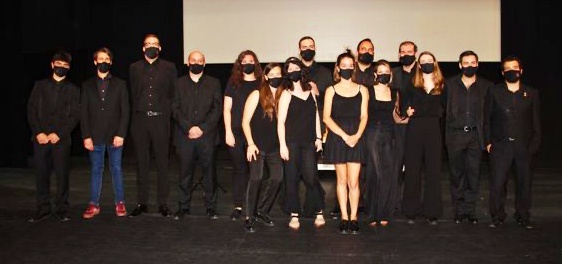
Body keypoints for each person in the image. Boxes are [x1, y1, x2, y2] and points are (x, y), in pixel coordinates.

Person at [484, 56, 541, 229]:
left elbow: (536, 122)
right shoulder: (494, 91)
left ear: (521, 71)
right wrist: (488, 142)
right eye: (507, 68)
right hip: (500, 146)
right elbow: (487, 119)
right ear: (502, 73)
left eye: (514, 67)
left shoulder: (531, 93)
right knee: (498, 183)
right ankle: (497, 216)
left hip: (523, 146)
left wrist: (534, 144)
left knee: (524, 182)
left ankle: (523, 215)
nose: (511, 71)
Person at [27, 50, 80, 222]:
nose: (61, 67)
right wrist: (39, 132)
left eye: (65, 66)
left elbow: (75, 116)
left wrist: (59, 134)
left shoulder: (73, 89)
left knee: (62, 175)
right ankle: (42, 208)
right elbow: (31, 111)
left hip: (61, 140)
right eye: (59, 64)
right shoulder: (40, 85)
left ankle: (63, 209)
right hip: (41, 138)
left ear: (69, 68)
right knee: (41, 174)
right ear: (52, 65)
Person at [128, 33, 178, 217]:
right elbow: (133, 93)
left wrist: (167, 114)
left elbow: (173, 94)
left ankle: (162, 203)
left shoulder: (169, 67)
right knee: (141, 162)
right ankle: (142, 202)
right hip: (140, 120)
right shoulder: (134, 68)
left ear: (160, 48)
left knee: (162, 162)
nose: (152, 46)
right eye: (148, 44)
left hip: (160, 120)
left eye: (155, 44)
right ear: (143, 48)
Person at [171, 50, 222, 220]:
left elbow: (217, 109)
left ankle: (211, 207)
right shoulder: (178, 83)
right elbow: (175, 108)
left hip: (207, 136)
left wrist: (202, 128)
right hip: (184, 137)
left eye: (200, 61)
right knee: (185, 174)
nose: (196, 63)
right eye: (193, 60)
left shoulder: (214, 83)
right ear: (187, 62)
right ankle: (183, 207)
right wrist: (188, 128)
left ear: (204, 63)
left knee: (209, 174)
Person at [80, 47, 130, 219]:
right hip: (94, 136)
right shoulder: (86, 85)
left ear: (111, 62)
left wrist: (121, 134)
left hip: (115, 135)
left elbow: (125, 111)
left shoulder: (120, 84)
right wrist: (86, 135)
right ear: (95, 62)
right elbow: (83, 113)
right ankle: (93, 204)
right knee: (96, 169)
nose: (103, 61)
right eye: (100, 59)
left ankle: (120, 202)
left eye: (106, 59)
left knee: (116, 168)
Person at [444, 50, 493, 224]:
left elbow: (490, 114)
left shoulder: (487, 86)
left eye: (473, 63)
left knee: (473, 174)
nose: (470, 66)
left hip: (475, 136)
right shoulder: (449, 85)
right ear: (460, 65)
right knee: (456, 175)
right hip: (455, 135)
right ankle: (458, 211)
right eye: (466, 63)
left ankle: (470, 211)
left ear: (477, 65)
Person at [323, 49, 368, 234]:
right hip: (338, 137)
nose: (347, 68)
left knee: (354, 182)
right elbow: (326, 117)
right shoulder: (330, 90)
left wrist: (356, 136)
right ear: (338, 68)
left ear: (354, 67)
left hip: (356, 136)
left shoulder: (362, 89)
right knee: (341, 180)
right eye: (344, 66)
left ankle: (354, 217)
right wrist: (344, 136)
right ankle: (344, 217)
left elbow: (364, 116)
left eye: (351, 65)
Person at [278, 57, 325, 230]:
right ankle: (294, 213)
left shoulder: (311, 91)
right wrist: (282, 145)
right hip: (291, 142)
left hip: (309, 141)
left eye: (295, 67)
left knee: (311, 176)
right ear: (287, 74)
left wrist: (319, 138)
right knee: (291, 178)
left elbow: (316, 117)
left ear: (301, 70)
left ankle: (318, 209)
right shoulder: (285, 94)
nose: (293, 71)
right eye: (289, 69)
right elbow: (280, 122)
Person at [402, 51, 446, 225]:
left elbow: (446, 106)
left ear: (435, 63)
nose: (426, 63)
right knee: (412, 168)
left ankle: (432, 211)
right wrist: (406, 110)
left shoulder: (442, 84)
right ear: (419, 65)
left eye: (429, 60)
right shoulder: (412, 83)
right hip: (415, 127)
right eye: (423, 61)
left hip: (434, 127)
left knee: (433, 169)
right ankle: (411, 210)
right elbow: (403, 102)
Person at [241, 63, 284, 232]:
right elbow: (245, 121)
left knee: (277, 178)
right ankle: (249, 216)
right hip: (257, 145)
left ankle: (262, 210)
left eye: (278, 74)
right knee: (256, 178)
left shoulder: (284, 96)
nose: (275, 76)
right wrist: (250, 144)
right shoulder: (256, 94)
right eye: (272, 74)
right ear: (265, 77)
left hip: (275, 146)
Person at [224, 50, 262, 221]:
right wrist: (228, 132)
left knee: (256, 172)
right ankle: (239, 205)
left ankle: (253, 206)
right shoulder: (233, 82)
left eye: (251, 60)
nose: (248, 63)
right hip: (236, 132)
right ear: (240, 63)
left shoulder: (262, 83)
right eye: (244, 61)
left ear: (256, 63)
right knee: (240, 170)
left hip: (256, 134)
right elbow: (227, 109)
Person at [297, 36, 333, 219]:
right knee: (301, 170)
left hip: (317, 127)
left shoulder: (326, 74)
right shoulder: (293, 70)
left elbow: (332, 101)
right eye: (304, 47)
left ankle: (314, 205)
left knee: (310, 169)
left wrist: (318, 93)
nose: (308, 49)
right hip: (295, 127)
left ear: (315, 48)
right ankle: (317, 197)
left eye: (311, 46)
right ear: (299, 50)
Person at [365, 59, 402, 227]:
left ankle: (383, 212)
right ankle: (372, 213)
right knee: (375, 172)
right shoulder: (367, 91)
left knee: (387, 173)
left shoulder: (395, 93)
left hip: (389, 133)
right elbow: (363, 114)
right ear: (375, 75)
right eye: (380, 72)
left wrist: (406, 116)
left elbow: (396, 116)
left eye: (386, 71)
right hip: (372, 132)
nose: (383, 74)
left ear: (391, 74)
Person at [390, 40, 418, 216]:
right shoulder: (394, 73)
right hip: (396, 126)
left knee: (414, 168)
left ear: (416, 53)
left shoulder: (423, 73)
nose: (406, 54)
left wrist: (412, 116)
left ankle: (412, 206)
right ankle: (393, 205)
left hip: (417, 126)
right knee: (395, 167)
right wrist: (399, 117)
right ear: (399, 54)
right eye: (403, 51)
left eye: (409, 51)